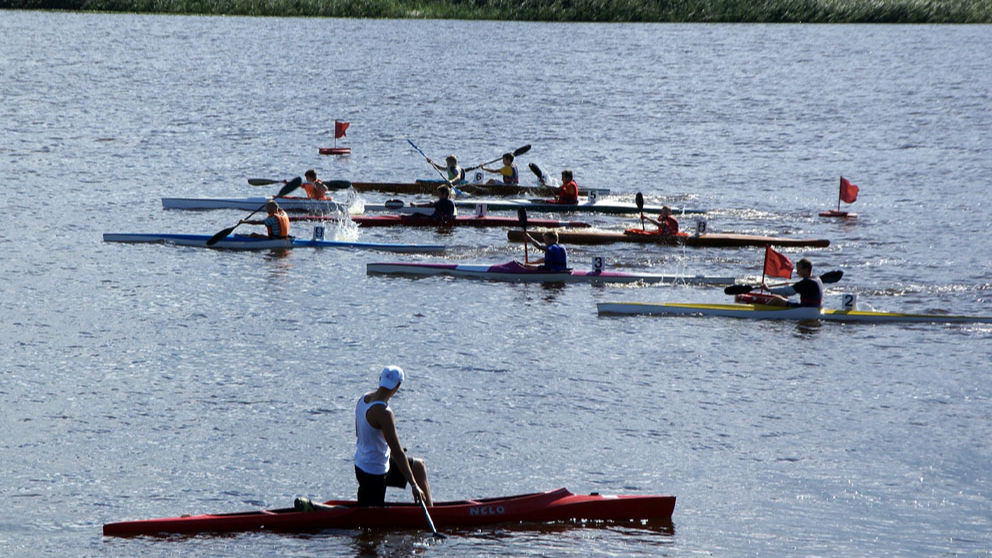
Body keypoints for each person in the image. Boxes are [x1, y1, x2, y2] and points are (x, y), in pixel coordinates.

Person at [354, 365, 433, 507]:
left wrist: (386, 449)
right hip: (373, 473)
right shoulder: (384, 413)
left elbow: (360, 434)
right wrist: (414, 486)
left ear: (380, 380)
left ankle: (433, 514)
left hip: (363, 464)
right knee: (365, 518)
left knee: (418, 467)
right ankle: (315, 508)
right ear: (398, 386)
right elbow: (397, 452)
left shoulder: (363, 399)